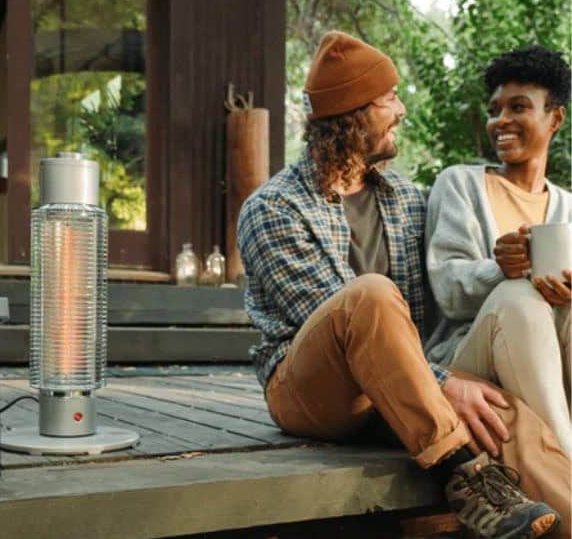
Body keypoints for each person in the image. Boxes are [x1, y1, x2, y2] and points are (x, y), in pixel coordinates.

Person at [238, 31, 568, 538]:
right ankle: (465, 477)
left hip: (411, 383)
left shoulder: (407, 200)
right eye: (388, 98)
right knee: (369, 295)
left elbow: (447, 298)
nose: (402, 109)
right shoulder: (273, 208)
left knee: (503, 417)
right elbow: (332, 321)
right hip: (315, 393)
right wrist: (444, 383)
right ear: (352, 114)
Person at [425, 46, 572, 455]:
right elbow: (449, 292)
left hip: (550, 360)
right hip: (466, 358)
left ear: (555, 118)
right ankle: (565, 460)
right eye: (495, 110)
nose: (501, 121)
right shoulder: (460, 185)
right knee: (519, 295)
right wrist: (499, 271)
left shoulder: (568, 207)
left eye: (518, 107)